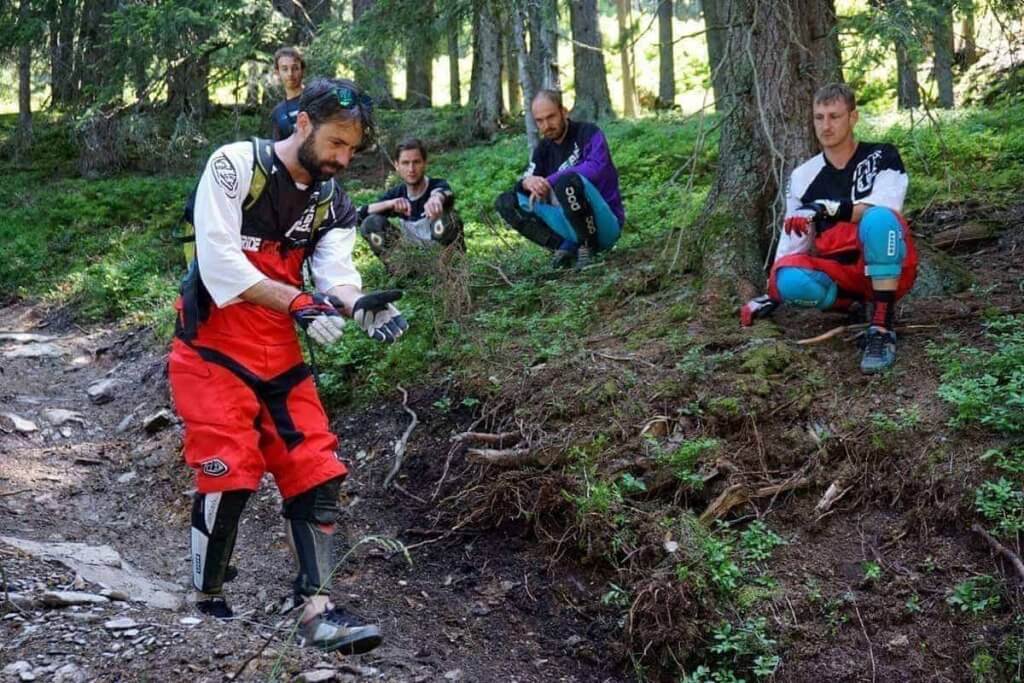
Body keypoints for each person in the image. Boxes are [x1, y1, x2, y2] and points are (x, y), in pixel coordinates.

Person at [169, 77, 407, 655]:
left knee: (317, 469)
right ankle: (208, 601)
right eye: (335, 143)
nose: (342, 159)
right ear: (302, 124)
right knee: (230, 468)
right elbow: (219, 261)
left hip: (280, 351)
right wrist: (298, 302)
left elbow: (335, 274)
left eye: (352, 150)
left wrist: (358, 307)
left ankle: (316, 609)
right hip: (211, 347)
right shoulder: (233, 166)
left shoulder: (332, 200)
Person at [741, 83, 918, 374]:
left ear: (853, 117)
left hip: (887, 259)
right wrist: (771, 292)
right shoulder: (802, 176)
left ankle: (882, 328)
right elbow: (792, 238)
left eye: (834, 116)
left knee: (879, 220)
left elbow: (886, 209)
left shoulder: (882, 156)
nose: (826, 125)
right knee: (786, 279)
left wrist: (827, 208)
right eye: (819, 117)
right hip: (840, 271)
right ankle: (854, 305)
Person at [494, 89, 625, 270]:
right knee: (507, 201)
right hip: (570, 226)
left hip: (605, 223)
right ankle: (564, 247)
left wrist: (551, 180)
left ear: (563, 111)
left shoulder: (588, 133)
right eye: (540, 121)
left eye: (551, 117)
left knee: (567, 181)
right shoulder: (543, 150)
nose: (546, 125)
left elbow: (597, 167)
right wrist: (527, 182)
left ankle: (588, 247)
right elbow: (527, 180)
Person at [357, 138, 462, 262]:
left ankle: (448, 273)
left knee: (450, 218)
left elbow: (445, 193)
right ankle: (399, 271)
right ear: (397, 166)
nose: (411, 169)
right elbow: (355, 215)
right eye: (405, 163)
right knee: (370, 223)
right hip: (412, 259)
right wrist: (389, 204)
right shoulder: (397, 194)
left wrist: (436, 199)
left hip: (442, 258)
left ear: (424, 163)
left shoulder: (437, 185)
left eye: (416, 162)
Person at [270, 47, 305, 140]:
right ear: (277, 73)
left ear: (302, 70)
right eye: (285, 69)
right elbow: (278, 148)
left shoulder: (316, 98)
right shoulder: (278, 112)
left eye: (295, 68)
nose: (290, 74)